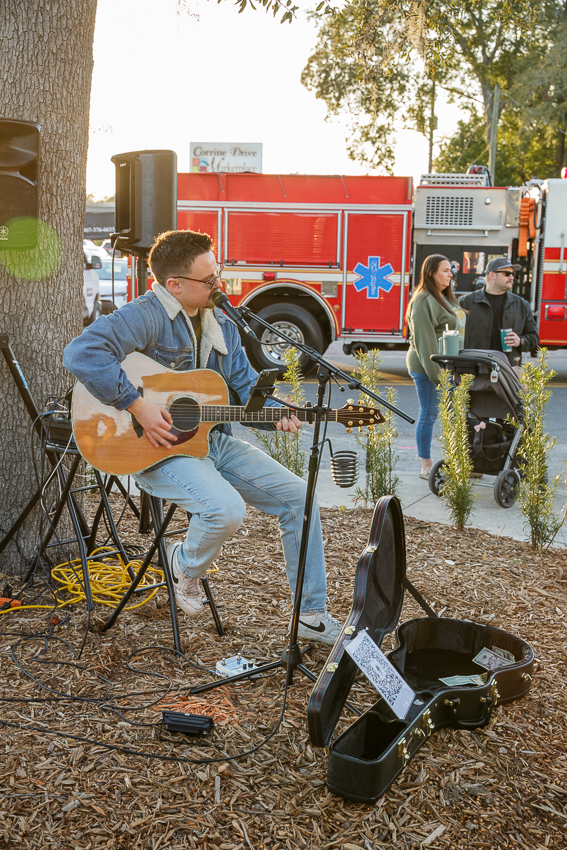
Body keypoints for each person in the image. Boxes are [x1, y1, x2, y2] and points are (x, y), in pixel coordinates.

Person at [64, 229, 341, 645]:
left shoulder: (223, 326)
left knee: (300, 499)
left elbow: (247, 393)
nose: (220, 285)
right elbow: (81, 353)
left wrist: (280, 413)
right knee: (226, 510)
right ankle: (181, 561)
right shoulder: (146, 315)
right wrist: (137, 405)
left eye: (219, 273)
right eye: (209, 279)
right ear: (173, 285)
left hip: (209, 441)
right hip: (153, 449)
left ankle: (310, 613)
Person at [405, 254, 466, 479]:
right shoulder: (423, 301)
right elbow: (425, 343)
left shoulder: (443, 296)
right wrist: (438, 377)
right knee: (429, 413)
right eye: (446, 270)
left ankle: (459, 462)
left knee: (455, 414)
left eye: (451, 270)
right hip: (428, 367)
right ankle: (425, 466)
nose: (451, 275)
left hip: (450, 365)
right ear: (431, 272)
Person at [459, 257, 538, 367]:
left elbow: (534, 337)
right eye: (507, 273)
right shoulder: (466, 302)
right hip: (474, 371)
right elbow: (455, 335)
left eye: (512, 274)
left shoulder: (521, 305)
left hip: (507, 371)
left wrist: (520, 341)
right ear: (492, 275)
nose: (512, 277)